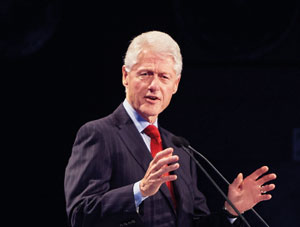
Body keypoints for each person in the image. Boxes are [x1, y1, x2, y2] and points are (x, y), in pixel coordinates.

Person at [64, 31, 277, 227]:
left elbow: (193, 223)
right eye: (145, 74)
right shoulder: (99, 134)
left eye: (164, 77)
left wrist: (230, 211)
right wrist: (140, 190)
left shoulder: (181, 151)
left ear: (175, 84)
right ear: (125, 76)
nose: (154, 85)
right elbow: (81, 214)